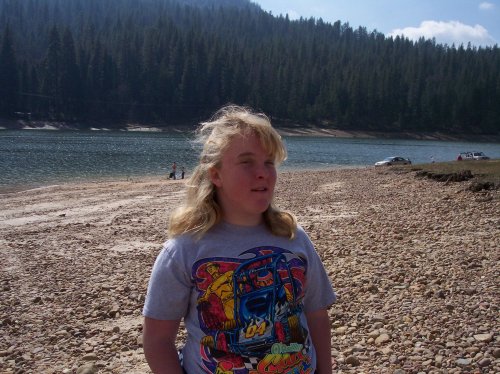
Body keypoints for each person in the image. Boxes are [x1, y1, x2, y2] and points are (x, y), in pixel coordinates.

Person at [142, 105, 336, 374]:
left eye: (269, 162)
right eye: (247, 162)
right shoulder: (185, 249)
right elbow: (157, 340)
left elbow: (316, 315)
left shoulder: (294, 237)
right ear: (216, 174)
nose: (262, 172)